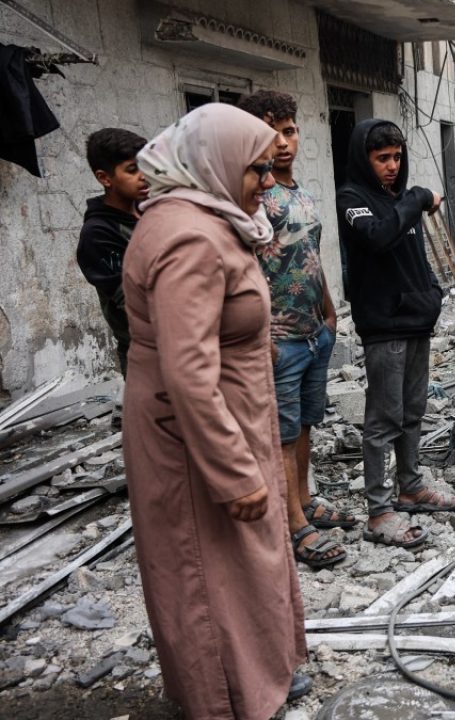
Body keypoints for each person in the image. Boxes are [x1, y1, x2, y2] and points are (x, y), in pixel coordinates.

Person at [122, 103, 310, 719]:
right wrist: (232, 471)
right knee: (211, 571)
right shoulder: (188, 237)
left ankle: (264, 674)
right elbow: (188, 370)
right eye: (255, 169)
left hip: (226, 418)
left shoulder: (207, 216)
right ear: (217, 163)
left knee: (244, 559)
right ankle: (232, 697)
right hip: (196, 435)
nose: (265, 182)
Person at [237, 90, 350, 570]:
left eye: (290, 131)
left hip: (313, 330)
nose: (283, 143)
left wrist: (328, 311)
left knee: (305, 425)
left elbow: (310, 255)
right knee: (281, 435)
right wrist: (259, 335)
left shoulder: (300, 192)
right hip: (278, 337)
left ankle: (303, 498)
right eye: (272, 133)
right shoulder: (251, 200)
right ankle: (293, 524)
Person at [337, 118, 455, 548]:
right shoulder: (353, 199)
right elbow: (380, 236)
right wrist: (419, 197)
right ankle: (378, 509)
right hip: (384, 325)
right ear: (364, 159)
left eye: (396, 157)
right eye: (382, 158)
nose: (391, 166)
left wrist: (431, 294)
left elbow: (412, 255)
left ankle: (409, 486)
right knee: (383, 419)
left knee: (412, 411)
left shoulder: (395, 198)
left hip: (414, 320)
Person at [77, 128, 148, 378]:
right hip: (147, 354)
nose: (145, 176)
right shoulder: (98, 234)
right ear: (104, 178)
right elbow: (136, 301)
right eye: (132, 170)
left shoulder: (152, 209)